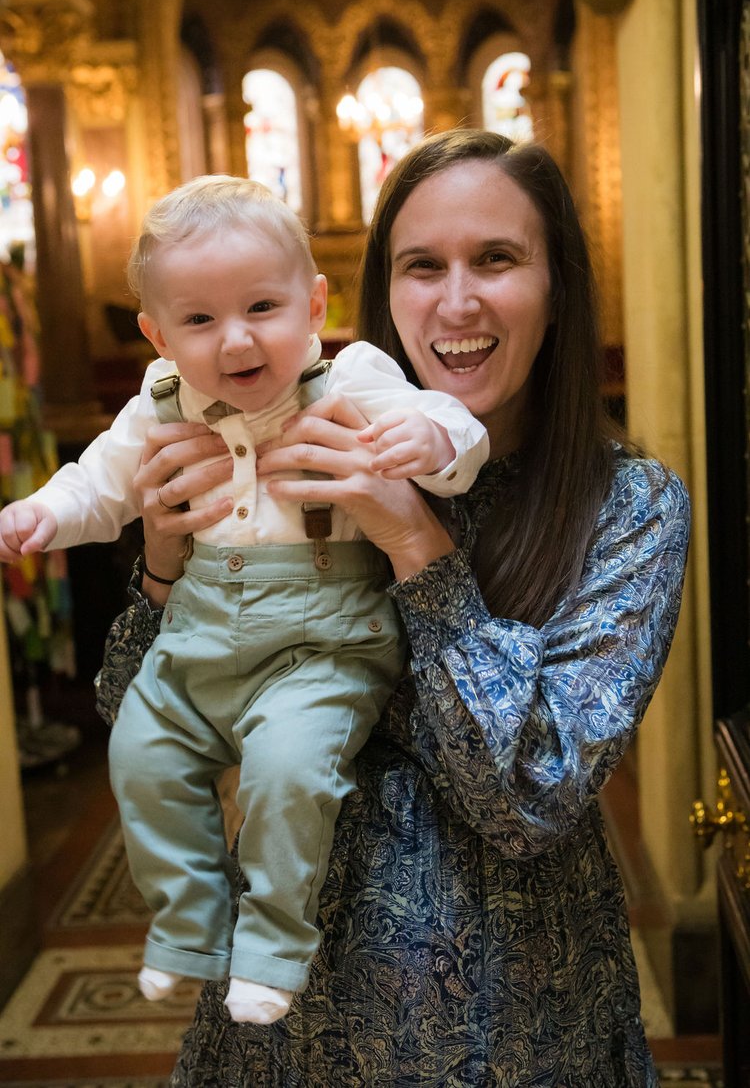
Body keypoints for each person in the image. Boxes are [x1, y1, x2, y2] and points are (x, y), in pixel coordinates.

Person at [95, 130, 690, 1086]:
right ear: (379, 296)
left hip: (519, 1033)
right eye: (423, 266)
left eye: (496, 259)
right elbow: (134, 719)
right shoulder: (274, 452)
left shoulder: (630, 508)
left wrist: (415, 541)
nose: (457, 302)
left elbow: (527, 801)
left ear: (558, 286)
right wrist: (164, 558)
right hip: (284, 1035)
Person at [0, 175, 489, 1026]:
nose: (236, 340)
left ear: (314, 302)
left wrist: (435, 436)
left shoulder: (355, 376)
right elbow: (99, 487)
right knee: (142, 758)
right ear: (157, 334)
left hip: (322, 644)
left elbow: (457, 428)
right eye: (198, 320)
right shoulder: (156, 406)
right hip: (193, 641)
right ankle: (189, 927)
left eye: (263, 306)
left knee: (286, 772)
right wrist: (41, 512)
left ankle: (271, 945)